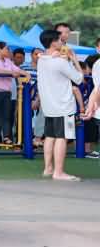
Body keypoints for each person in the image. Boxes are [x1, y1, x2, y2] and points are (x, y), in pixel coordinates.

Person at [37, 30, 83, 181]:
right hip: (63, 106)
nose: (62, 41)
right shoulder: (59, 62)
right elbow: (79, 79)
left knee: (50, 137)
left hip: (49, 106)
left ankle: (48, 168)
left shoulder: (42, 59)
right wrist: (74, 59)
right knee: (62, 138)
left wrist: (63, 58)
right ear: (53, 42)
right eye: (59, 39)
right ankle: (59, 172)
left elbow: (46, 56)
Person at [0, 43, 26, 146]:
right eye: (7, 49)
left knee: (5, 115)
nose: (8, 51)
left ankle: (6, 137)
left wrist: (26, 74)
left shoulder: (8, 61)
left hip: (6, 92)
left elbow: (17, 70)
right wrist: (11, 73)